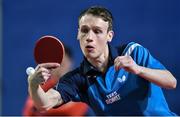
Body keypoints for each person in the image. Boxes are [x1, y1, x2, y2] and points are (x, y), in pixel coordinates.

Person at [27, 6, 177, 116]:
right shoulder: (78, 79)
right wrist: (34, 85)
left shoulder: (133, 52)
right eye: (84, 30)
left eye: (97, 31)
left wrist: (138, 69)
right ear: (78, 34)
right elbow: (44, 103)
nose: (89, 37)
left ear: (109, 36)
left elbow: (171, 82)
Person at [23, 46, 94, 116]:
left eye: (63, 64)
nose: (59, 69)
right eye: (55, 66)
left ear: (70, 63)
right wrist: (33, 85)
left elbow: (75, 111)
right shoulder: (42, 87)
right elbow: (29, 111)